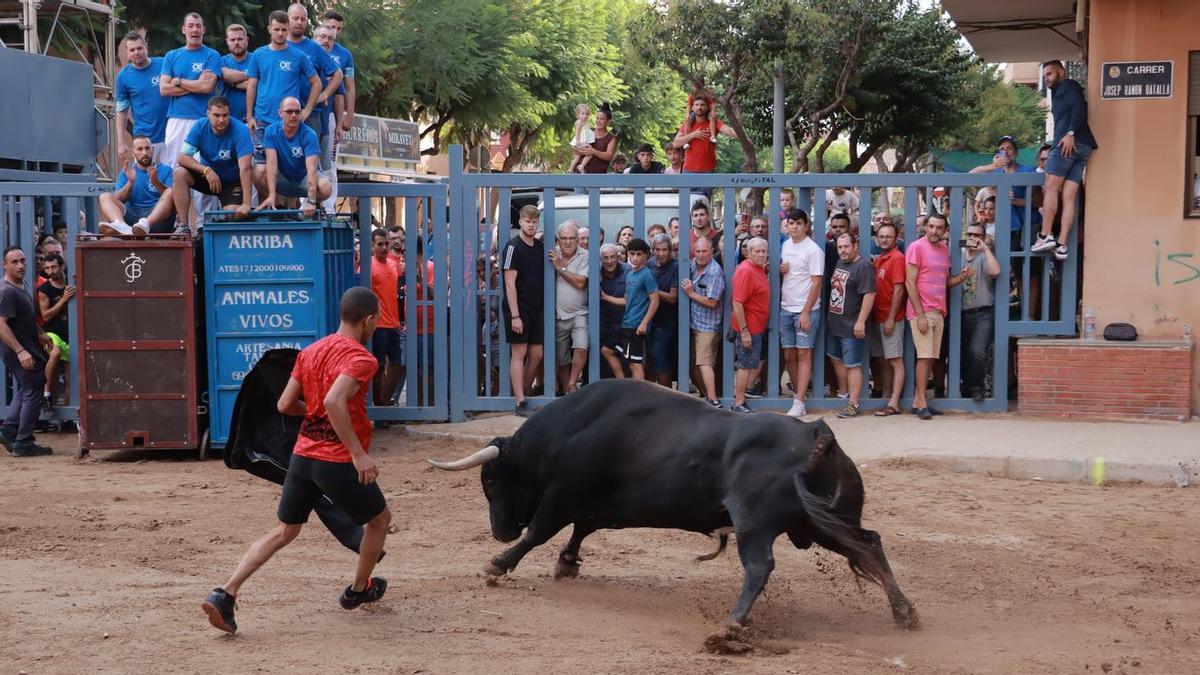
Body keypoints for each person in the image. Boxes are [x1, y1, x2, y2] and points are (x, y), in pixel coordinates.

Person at [201, 287, 392, 635]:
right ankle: (359, 589)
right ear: (367, 320)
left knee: (284, 531)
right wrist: (357, 453)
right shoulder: (362, 358)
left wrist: (314, 415)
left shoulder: (311, 352)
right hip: (335, 460)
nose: (376, 326)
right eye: (376, 321)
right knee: (380, 520)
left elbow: (285, 404)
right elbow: (335, 401)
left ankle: (224, 593)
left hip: (302, 456)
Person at [905, 213, 972, 420]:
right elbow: (910, 282)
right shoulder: (916, 247)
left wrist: (962, 277)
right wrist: (920, 314)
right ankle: (922, 402)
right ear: (926, 227)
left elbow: (944, 281)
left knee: (931, 358)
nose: (934, 231)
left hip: (939, 310)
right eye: (931, 226)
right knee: (924, 358)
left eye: (938, 227)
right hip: (921, 312)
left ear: (945, 230)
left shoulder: (944, 250)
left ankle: (918, 402)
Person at [1032, 60, 1098, 261]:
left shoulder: (1069, 86)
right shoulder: (1058, 92)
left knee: (1051, 188)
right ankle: (1061, 245)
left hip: (1067, 144)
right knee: (1069, 196)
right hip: (1083, 146)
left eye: (1050, 74)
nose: (1047, 79)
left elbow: (1080, 109)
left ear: (1061, 71)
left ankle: (1045, 235)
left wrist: (1070, 133)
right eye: (1044, 76)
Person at [246, 11, 321, 165]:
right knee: (260, 170)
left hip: (289, 123)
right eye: (276, 29)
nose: (280, 33)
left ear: (288, 29)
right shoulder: (259, 54)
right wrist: (249, 116)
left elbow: (317, 83)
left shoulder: (299, 56)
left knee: (289, 168)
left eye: (284, 30)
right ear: (269, 29)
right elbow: (252, 85)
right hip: (262, 121)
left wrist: (307, 110)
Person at [172, 96, 254, 233]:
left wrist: (246, 204)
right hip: (208, 178)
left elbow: (245, 168)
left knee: (234, 216)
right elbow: (182, 157)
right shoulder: (200, 126)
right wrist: (206, 170)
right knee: (179, 173)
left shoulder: (240, 130)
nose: (221, 120)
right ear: (208, 114)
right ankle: (183, 227)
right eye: (216, 115)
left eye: (225, 115)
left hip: (232, 182)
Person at [0, 247, 52, 457]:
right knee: (33, 389)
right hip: (18, 350)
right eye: (14, 262)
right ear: (5, 265)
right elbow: (1, 324)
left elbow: (25, 318)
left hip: (27, 347)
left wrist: (40, 333)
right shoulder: (7, 291)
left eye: (22, 260)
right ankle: (24, 442)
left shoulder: (20, 286)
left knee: (26, 389)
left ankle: (9, 429)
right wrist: (20, 351)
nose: (20, 265)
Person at [158, 13, 222, 168]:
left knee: (202, 167)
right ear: (183, 29)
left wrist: (179, 81)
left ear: (204, 30)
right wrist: (196, 85)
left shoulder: (212, 55)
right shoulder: (172, 56)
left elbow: (206, 88)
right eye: (191, 26)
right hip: (176, 119)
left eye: (198, 26)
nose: (195, 30)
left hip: (203, 119)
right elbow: (164, 89)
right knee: (174, 167)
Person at [778, 208, 824, 418]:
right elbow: (789, 274)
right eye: (791, 223)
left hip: (805, 310)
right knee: (789, 354)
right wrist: (781, 270)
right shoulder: (785, 245)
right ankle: (798, 393)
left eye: (798, 223)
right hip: (786, 307)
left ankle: (800, 400)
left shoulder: (813, 250)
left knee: (804, 354)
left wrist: (806, 312)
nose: (794, 226)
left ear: (806, 226)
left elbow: (817, 283)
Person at [256, 97, 333, 218]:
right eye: (289, 111)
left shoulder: (309, 134)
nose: (293, 115)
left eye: (297, 112)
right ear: (280, 113)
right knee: (257, 171)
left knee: (326, 186)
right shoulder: (271, 131)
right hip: (284, 179)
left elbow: (312, 171)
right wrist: (271, 195)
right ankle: (277, 206)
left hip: (304, 180)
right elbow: (271, 166)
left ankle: (316, 206)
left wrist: (311, 201)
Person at [501, 205, 545, 416]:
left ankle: (523, 391)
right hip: (518, 308)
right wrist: (515, 315)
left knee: (537, 354)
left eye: (534, 221)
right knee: (519, 353)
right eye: (528, 221)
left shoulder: (539, 246)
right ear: (520, 222)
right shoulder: (512, 247)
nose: (531, 225)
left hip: (537, 308)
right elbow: (509, 283)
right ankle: (519, 401)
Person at [826, 233, 876, 419]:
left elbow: (869, 295)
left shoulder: (863, 266)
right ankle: (845, 395)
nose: (843, 250)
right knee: (836, 359)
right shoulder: (841, 263)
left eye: (846, 246)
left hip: (852, 325)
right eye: (840, 247)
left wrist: (861, 321)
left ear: (855, 246)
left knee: (853, 365)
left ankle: (853, 403)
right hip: (836, 323)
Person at [99, 135, 175, 236]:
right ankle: (121, 225)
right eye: (140, 149)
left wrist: (156, 183)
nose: (144, 153)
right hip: (132, 220)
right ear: (133, 152)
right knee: (105, 196)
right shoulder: (127, 171)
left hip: (156, 220)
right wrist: (130, 183)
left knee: (170, 191)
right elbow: (117, 199)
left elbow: (173, 198)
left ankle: (146, 224)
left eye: (147, 148)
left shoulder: (166, 170)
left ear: (152, 150)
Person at [680, 236, 724, 406]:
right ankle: (706, 396)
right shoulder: (692, 265)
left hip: (708, 326)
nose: (700, 255)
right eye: (697, 251)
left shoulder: (714, 271)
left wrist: (691, 294)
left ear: (711, 251)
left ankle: (713, 400)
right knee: (693, 365)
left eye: (704, 251)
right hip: (693, 323)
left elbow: (713, 302)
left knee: (704, 362)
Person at [960, 222, 1001, 402]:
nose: (973, 238)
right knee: (961, 352)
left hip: (983, 312)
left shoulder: (985, 257)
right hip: (960, 313)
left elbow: (996, 271)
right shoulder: (958, 255)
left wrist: (985, 250)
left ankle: (977, 387)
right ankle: (965, 386)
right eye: (970, 234)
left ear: (984, 238)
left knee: (977, 350)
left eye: (978, 235)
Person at [870, 222, 907, 417]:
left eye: (888, 236)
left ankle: (894, 403)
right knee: (884, 360)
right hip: (878, 316)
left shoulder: (897, 259)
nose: (884, 239)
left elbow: (899, 289)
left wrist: (891, 318)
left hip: (890, 318)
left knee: (895, 360)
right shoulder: (880, 259)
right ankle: (886, 396)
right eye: (881, 236)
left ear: (896, 239)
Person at [115, 32, 168, 165]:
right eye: (132, 50)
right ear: (127, 52)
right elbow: (121, 112)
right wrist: (121, 144)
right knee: (145, 182)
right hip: (144, 141)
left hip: (171, 136)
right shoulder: (123, 77)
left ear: (146, 48)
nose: (136, 52)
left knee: (172, 179)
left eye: (139, 48)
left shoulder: (163, 64)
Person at [730, 238, 769, 413]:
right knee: (745, 365)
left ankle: (742, 397)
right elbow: (737, 303)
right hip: (748, 328)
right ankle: (738, 402)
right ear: (749, 252)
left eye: (763, 251)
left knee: (751, 363)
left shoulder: (758, 268)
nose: (761, 254)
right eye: (757, 251)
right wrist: (744, 331)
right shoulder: (746, 271)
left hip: (756, 326)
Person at [549, 221, 588, 394]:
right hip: (557, 315)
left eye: (571, 238)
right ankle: (568, 393)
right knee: (561, 358)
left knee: (581, 348)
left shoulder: (585, 255)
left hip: (579, 313)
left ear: (578, 240)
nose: (567, 242)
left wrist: (561, 269)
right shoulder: (552, 255)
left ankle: (572, 384)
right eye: (563, 238)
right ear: (558, 240)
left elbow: (581, 283)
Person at [612, 238, 659, 381]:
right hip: (627, 323)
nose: (635, 258)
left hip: (636, 325)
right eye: (632, 254)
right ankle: (625, 387)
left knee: (635, 363)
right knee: (611, 351)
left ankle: (640, 397)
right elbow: (628, 299)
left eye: (639, 254)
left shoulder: (647, 274)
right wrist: (606, 297)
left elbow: (655, 300)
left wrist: (644, 323)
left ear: (646, 255)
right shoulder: (630, 274)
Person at [367, 230, 404, 412]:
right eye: (379, 244)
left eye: (385, 244)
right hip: (378, 325)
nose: (383, 247)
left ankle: (384, 403)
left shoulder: (393, 264)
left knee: (397, 366)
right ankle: (381, 409)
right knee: (378, 368)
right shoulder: (368, 267)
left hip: (394, 323)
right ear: (372, 246)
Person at [37, 254, 75, 408]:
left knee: (70, 377)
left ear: (61, 266)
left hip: (71, 332)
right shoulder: (44, 289)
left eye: (53, 267)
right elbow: (45, 316)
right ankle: (46, 395)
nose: (50, 271)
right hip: (52, 331)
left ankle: (68, 417)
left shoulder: (72, 282)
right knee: (55, 353)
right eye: (47, 268)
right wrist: (63, 299)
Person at [672, 97, 737, 174]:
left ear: (707, 107)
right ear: (692, 107)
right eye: (697, 105)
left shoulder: (714, 122)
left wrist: (737, 120)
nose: (699, 107)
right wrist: (693, 135)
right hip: (688, 170)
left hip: (708, 170)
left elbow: (731, 132)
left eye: (702, 105)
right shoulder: (688, 124)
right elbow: (675, 144)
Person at [646, 234, 678, 387]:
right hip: (649, 319)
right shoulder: (650, 263)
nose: (661, 253)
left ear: (670, 250)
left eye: (664, 250)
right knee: (650, 361)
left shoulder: (676, 266)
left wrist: (653, 290)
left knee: (662, 361)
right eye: (657, 250)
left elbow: (673, 298)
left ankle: (666, 395)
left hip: (666, 322)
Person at [321, 10, 357, 134]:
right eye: (332, 27)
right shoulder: (309, 46)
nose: (335, 31)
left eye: (338, 28)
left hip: (332, 114)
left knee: (325, 152)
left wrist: (349, 117)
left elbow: (350, 87)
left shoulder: (345, 54)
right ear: (323, 24)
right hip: (307, 108)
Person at [598, 244, 630, 378]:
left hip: (625, 326)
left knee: (629, 364)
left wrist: (606, 297)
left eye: (613, 257)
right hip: (603, 326)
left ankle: (626, 389)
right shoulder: (595, 273)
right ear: (600, 260)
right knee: (602, 367)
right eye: (605, 258)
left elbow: (632, 299)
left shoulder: (628, 271)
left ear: (619, 257)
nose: (609, 261)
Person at [219, 24, 252, 127]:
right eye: (232, 40)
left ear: (246, 40)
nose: (236, 43)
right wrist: (252, 76)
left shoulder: (256, 59)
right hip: (227, 120)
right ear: (227, 41)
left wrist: (234, 83)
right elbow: (225, 76)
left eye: (240, 39)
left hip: (253, 120)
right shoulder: (221, 61)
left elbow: (260, 84)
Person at [576, 106, 617, 174]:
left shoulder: (611, 138)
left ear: (608, 121)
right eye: (597, 118)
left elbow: (609, 156)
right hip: (580, 174)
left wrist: (593, 151)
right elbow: (574, 146)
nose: (598, 121)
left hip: (598, 177)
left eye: (602, 119)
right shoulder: (588, 131)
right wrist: (580, 149)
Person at [567, 103, 595, 173]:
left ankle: (571, 169)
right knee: (590, 153)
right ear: (578, 115)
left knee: (577, 157)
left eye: (587, 114)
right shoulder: (580, 122)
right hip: (580, 142)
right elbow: (577, 132)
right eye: (583, 114)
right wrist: (578, 141)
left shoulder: (586, 123)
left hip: (583, 141)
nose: (585, 115)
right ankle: (581, 166)